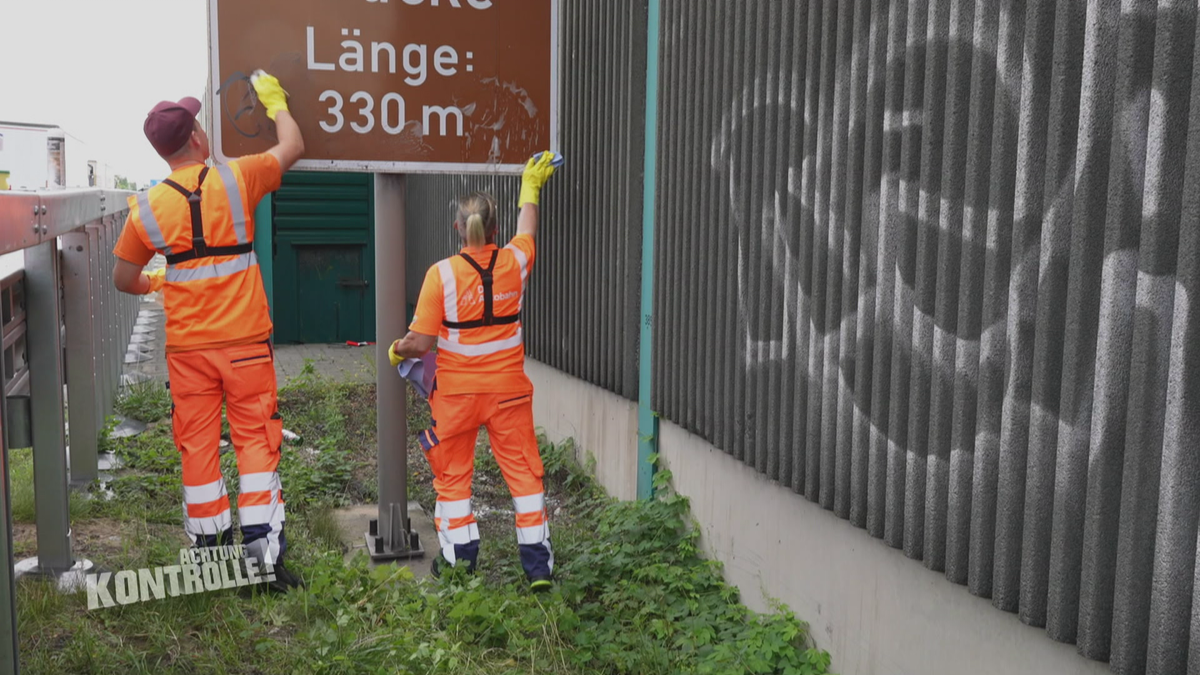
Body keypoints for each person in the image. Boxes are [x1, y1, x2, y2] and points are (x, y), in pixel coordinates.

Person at [112, 71, 305, 592]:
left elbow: (122, 278)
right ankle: (264, 565)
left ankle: (210, 562)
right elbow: (293, 145)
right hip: (245, 345)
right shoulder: (237, 177)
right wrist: (275, 102)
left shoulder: (147, 207)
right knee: (256, 445)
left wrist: (160, 279)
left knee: (197, 450)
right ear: (198, 137)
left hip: (188, 353)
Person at [390, 152, 561, 591]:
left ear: (457, 231)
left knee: (453, 475)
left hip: (457, 397)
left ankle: (460, 561)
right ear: (495, 229)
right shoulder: (515, 263)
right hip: (509, 393)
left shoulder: (441, 275)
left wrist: (397, 350)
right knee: (524, 474)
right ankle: (538, 569)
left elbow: (420, 343)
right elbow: (529, 229)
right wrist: (530, 187)